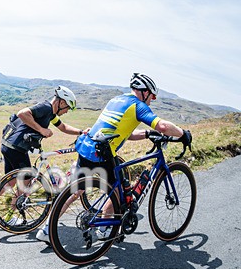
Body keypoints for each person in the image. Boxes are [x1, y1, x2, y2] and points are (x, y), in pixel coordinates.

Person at [36, 73, 191, 242]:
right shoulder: (138, 106)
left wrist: (147, 134)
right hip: (103, 153)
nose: (151, 100)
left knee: (76, 190)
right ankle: (104, 229)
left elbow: (125, 133)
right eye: (152, 96)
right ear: (144, 92)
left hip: (87, 146)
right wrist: (183, 134)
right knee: (116, 192)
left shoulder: (116, 100)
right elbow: (162, 125)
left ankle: (46, 230)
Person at [0, 86, 83, 226]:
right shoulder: (46, 107)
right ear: (61, 103)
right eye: (67, 107)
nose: (67, 111)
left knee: (10, 182)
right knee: (26, 182)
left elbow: (63, 127)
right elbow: (22, 113)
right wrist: (42, 129)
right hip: (17, 149)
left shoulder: (51, 114)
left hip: (10, 146)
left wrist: (81, 132)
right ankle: (8, 217)